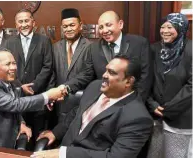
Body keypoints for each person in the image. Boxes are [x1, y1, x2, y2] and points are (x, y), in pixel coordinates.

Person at [32, 54, 153, 158]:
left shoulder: (138, 118)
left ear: (128, 81)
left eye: (112, 73)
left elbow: (115, 157)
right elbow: (77, 112)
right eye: (106, 70)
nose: (104, 75)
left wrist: (65, 154)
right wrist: (55, 133)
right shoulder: (95, 87)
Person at [0, 49, 65, 148]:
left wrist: (21, 123)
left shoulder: (10, 83)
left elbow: (11, 102)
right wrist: (47, 96)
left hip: (2, 143)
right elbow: (15, 104)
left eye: (14, 63)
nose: (13, 67)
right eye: (8, 64)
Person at [63, 10, 152, 102]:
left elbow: (145, 77)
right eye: (101, 27)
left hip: (133, 102)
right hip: (104, 103)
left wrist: (137, 102)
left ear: (120, 24)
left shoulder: (139, 43)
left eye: (108, 25)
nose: (104, 30)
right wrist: (65, 87)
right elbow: (86, 74)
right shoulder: (94, 48)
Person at [5, 9, 53, 148]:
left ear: (33, 22)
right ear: (16, 24)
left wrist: (34, 86)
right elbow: (7, 68)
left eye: (27, 20)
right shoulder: (9, 43)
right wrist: (20, 87)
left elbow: (47, 67)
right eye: (20, 21)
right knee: (20, 137)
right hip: (18, 98)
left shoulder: (44, 40)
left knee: (39, 136)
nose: (24, 24)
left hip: (38, 97)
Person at [146, 13, 192, 158]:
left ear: (181, 28)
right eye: (162, 26)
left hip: (180, 117)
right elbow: (146, 80)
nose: (165, 30)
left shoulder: (191, 49)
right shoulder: (154, 49)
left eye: (170, 27)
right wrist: (152, 104)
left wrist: (169, 108)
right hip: (156, 116)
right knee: (155, 153)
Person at [48, 8, 93, 123]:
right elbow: (51, 74)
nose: (68, 29)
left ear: (80, 25)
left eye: (72, 25)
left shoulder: (91, 47)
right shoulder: (55, 47)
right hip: (58, 105)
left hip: (81, 104)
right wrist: (50, 95)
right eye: (65, 26)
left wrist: (65, 88)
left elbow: (88, 74)